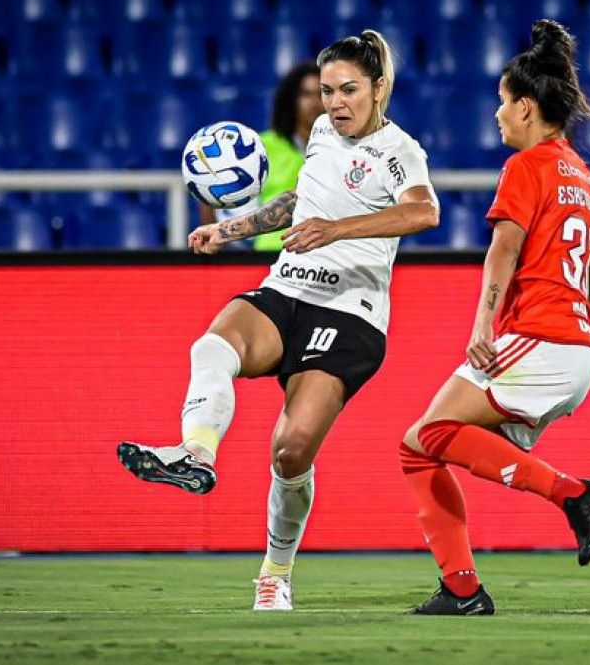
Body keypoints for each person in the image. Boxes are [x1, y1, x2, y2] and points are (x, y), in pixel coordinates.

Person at [117, 30, 439, 611]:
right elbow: (300, 201)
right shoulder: (321, 132)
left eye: (348, 90)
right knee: (214, 346)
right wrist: (231, 227)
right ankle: (196, 453)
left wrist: (336, 231)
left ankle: (275, 572)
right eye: (326, 91)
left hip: (350, 313)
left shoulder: (401, 152)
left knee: (291, 451)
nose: (334, 103)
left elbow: (425, 210)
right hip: (288, 287)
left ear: (379, 88)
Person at [399, 19, 590, 616]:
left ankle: (574, 494)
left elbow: (503, 251)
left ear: (526, 105)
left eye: (501, 101)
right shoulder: (582, 175)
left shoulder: (529, 165)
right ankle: (461, 591)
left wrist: (482, 330)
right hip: (577, 344)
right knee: (419, 447)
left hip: (538, 336)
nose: (496, 114)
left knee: (432, 435)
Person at [199, 62, 324, 251]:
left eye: (321, 94)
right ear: (291, 101)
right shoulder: (260, 147)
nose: (315, 103)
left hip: (326, 256)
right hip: (270, 256)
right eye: (305, 95)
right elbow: (215, 191)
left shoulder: (344, 150)